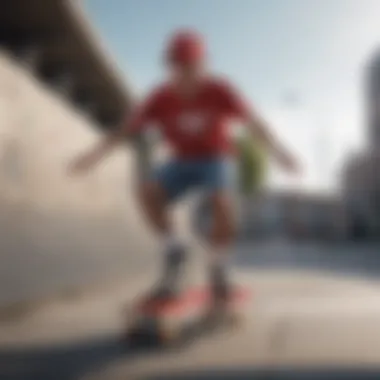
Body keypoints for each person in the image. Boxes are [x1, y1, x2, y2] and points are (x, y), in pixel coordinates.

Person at [70, 29, 300, 308]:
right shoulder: (159, 98)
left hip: (217, 157)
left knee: (222, 203)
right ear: (170, 68)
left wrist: (280, 152)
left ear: (203, 66)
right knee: (147, 191)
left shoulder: (221, 90)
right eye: (179, 68)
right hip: (181, 161)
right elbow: (124, 130)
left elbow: (253, 122)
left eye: (192, 68)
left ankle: (218, 266)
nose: (186, 76)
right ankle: (175, 251)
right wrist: (92, 156)